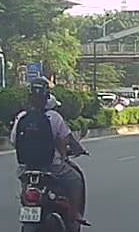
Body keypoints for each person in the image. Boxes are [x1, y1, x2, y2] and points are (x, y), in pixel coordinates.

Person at [10, 78, 86, 219]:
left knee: (25, 187)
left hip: (26, 167)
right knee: (76, 180)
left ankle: (26, 204)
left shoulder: (22, 117)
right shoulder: (54, 117)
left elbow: (13, 141)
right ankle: (75, 214)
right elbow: (66, 140)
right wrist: (69, 153)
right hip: (52, 166)